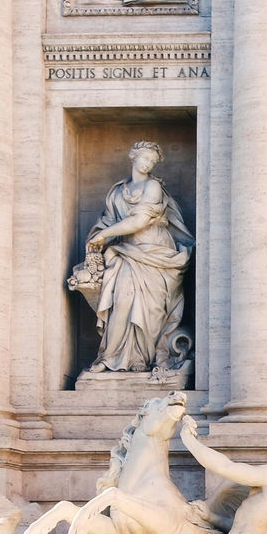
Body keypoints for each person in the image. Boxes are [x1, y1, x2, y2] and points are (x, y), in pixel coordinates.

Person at [75, 141, 193, 373]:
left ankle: (143, 359)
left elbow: (139, 222)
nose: (148, 163)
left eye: (152, 161)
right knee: (122, 300)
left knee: (151, 310)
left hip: (156, 254)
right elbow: (108, 222)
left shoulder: (153, 187)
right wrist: (100, 239)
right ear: (133, 157)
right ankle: (111, 357)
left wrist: (106, 235)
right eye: (145, 158)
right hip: (127, 253)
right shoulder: (118, 191)